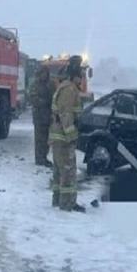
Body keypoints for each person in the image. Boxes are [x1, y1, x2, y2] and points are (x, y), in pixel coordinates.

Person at [49, 55, 85, 212]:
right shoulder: (69, 89)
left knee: (59, 169)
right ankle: (67, 203)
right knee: (68, 170)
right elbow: (65, 114)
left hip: (58, 134)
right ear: (75, 76)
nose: (81, 81)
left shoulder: (65, 87)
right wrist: (71, 136)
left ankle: (58, 200)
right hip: (63, 136)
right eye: (80, 77)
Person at [28, 65, 54, 167]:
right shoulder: (35, 85)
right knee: (39, 139)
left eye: (46, 73)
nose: (44, 75)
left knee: (47, 138)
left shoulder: (50, 85)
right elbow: (33, 99)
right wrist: (44, 102)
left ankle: (44, 156)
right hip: (39, 116)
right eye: (43, 73)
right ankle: (39, 158)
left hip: (48, 115)